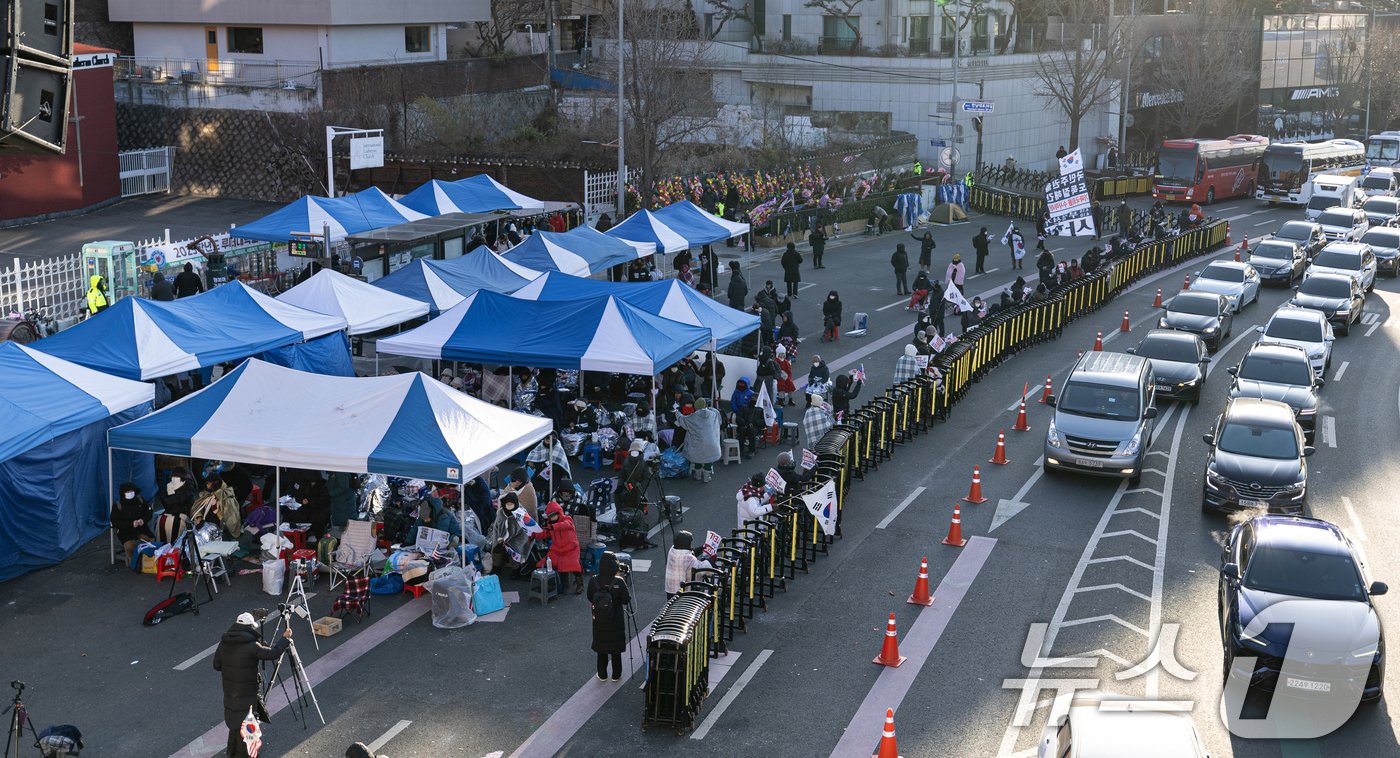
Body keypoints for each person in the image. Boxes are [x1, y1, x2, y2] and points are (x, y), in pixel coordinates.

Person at [213, 613, 291, 758]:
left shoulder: (223, 643)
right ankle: (248, 755)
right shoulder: (251, 646)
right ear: (249, 627)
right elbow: (273, 653)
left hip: (230, 694)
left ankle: (232, 753)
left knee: (235, 726)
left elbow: (216, 665)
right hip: (247, 694)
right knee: (247, 726)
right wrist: (285, 639)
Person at [588, 551, 632, 682]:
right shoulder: (619, 581)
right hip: (616, 619)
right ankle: (616, 675)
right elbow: (626, 600)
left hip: (599, 619)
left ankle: (602, 674)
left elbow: (590, 597)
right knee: (615, 648)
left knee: (601, 647)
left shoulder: (593, 580)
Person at [533, 501, 583, 593]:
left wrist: (553, 527)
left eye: (554, 515)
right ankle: (549, 584)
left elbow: (566, 525)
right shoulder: (550, 525)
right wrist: (533, 535)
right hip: (556, 550)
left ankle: (580, 584)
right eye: (550, 516)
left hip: (571, 549)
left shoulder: (567, 519)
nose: (553, 517)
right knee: (542, 564)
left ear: (559, 513)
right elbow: (543, 533)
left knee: (574, 565)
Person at [676, 397, 722, 482]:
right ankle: (706, 478)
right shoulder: (713, 414)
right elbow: (719, 420)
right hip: (712, 444)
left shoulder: (693, 417)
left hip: (698, 445)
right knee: (708, 459)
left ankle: (698, 476)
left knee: (698, 458)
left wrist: (677, 413)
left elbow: (682, 421)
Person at [488, 492, 532, 574]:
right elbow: (497, 525)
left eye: (511, 504)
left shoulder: (521, 514)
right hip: (501, 536)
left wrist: (505, 539)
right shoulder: (501, 512)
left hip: (517, 538)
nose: (509, 506)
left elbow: (518, 529)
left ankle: (516, 569)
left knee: (514, 551)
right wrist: (499, 538)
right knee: (497, 549)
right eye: (507, 504)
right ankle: (497, 566)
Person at [112, 482, 153, 567]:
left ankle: (149, 560)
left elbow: (149, 512)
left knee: (151, 542)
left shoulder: (140, 500)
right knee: (130, 547)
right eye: (127, 492)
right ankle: (134, 564)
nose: (130, 494)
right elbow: (115, 521)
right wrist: (130, 524)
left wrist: (143, 520)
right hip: (126, 532)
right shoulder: (118, 505)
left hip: (142, 528)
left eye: (131, 491)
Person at [663, 531, 713, 600]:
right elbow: (702, 569)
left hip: (670, 589)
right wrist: (712, 559)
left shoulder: (672, 550)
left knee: (671, 607)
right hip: (682, 592)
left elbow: (688, 553)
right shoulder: (689, 558)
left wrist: (702, 548)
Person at [193, 473, 241, 538]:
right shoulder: (206, 494)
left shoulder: (226, 495)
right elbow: (197, 507)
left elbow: (231, 516)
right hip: (206, 526)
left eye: (209, 483)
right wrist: (199, 516)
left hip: (221, 528)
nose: (207, 485)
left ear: (216, 483)